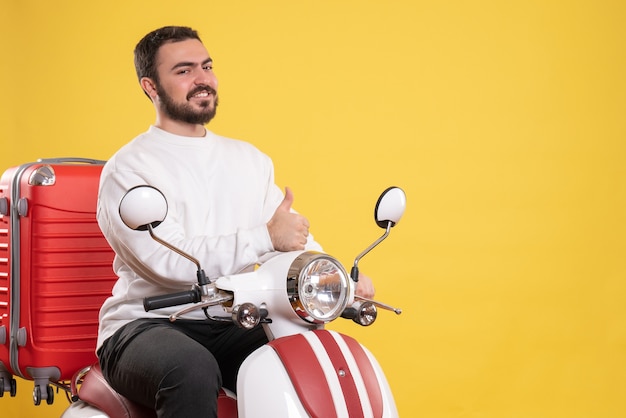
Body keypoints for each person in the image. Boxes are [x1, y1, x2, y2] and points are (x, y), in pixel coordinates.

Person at [95, 25, 375, 417]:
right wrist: (264, 237)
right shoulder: (129, 169)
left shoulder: (249, 160)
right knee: (190, 369)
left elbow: (292, 238)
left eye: (206, 66)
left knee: (309, 353)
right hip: (147, 325)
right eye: (183, 70)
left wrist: (336, 279)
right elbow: (173, 266)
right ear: (150, 86)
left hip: (233, 319)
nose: (202, 79)